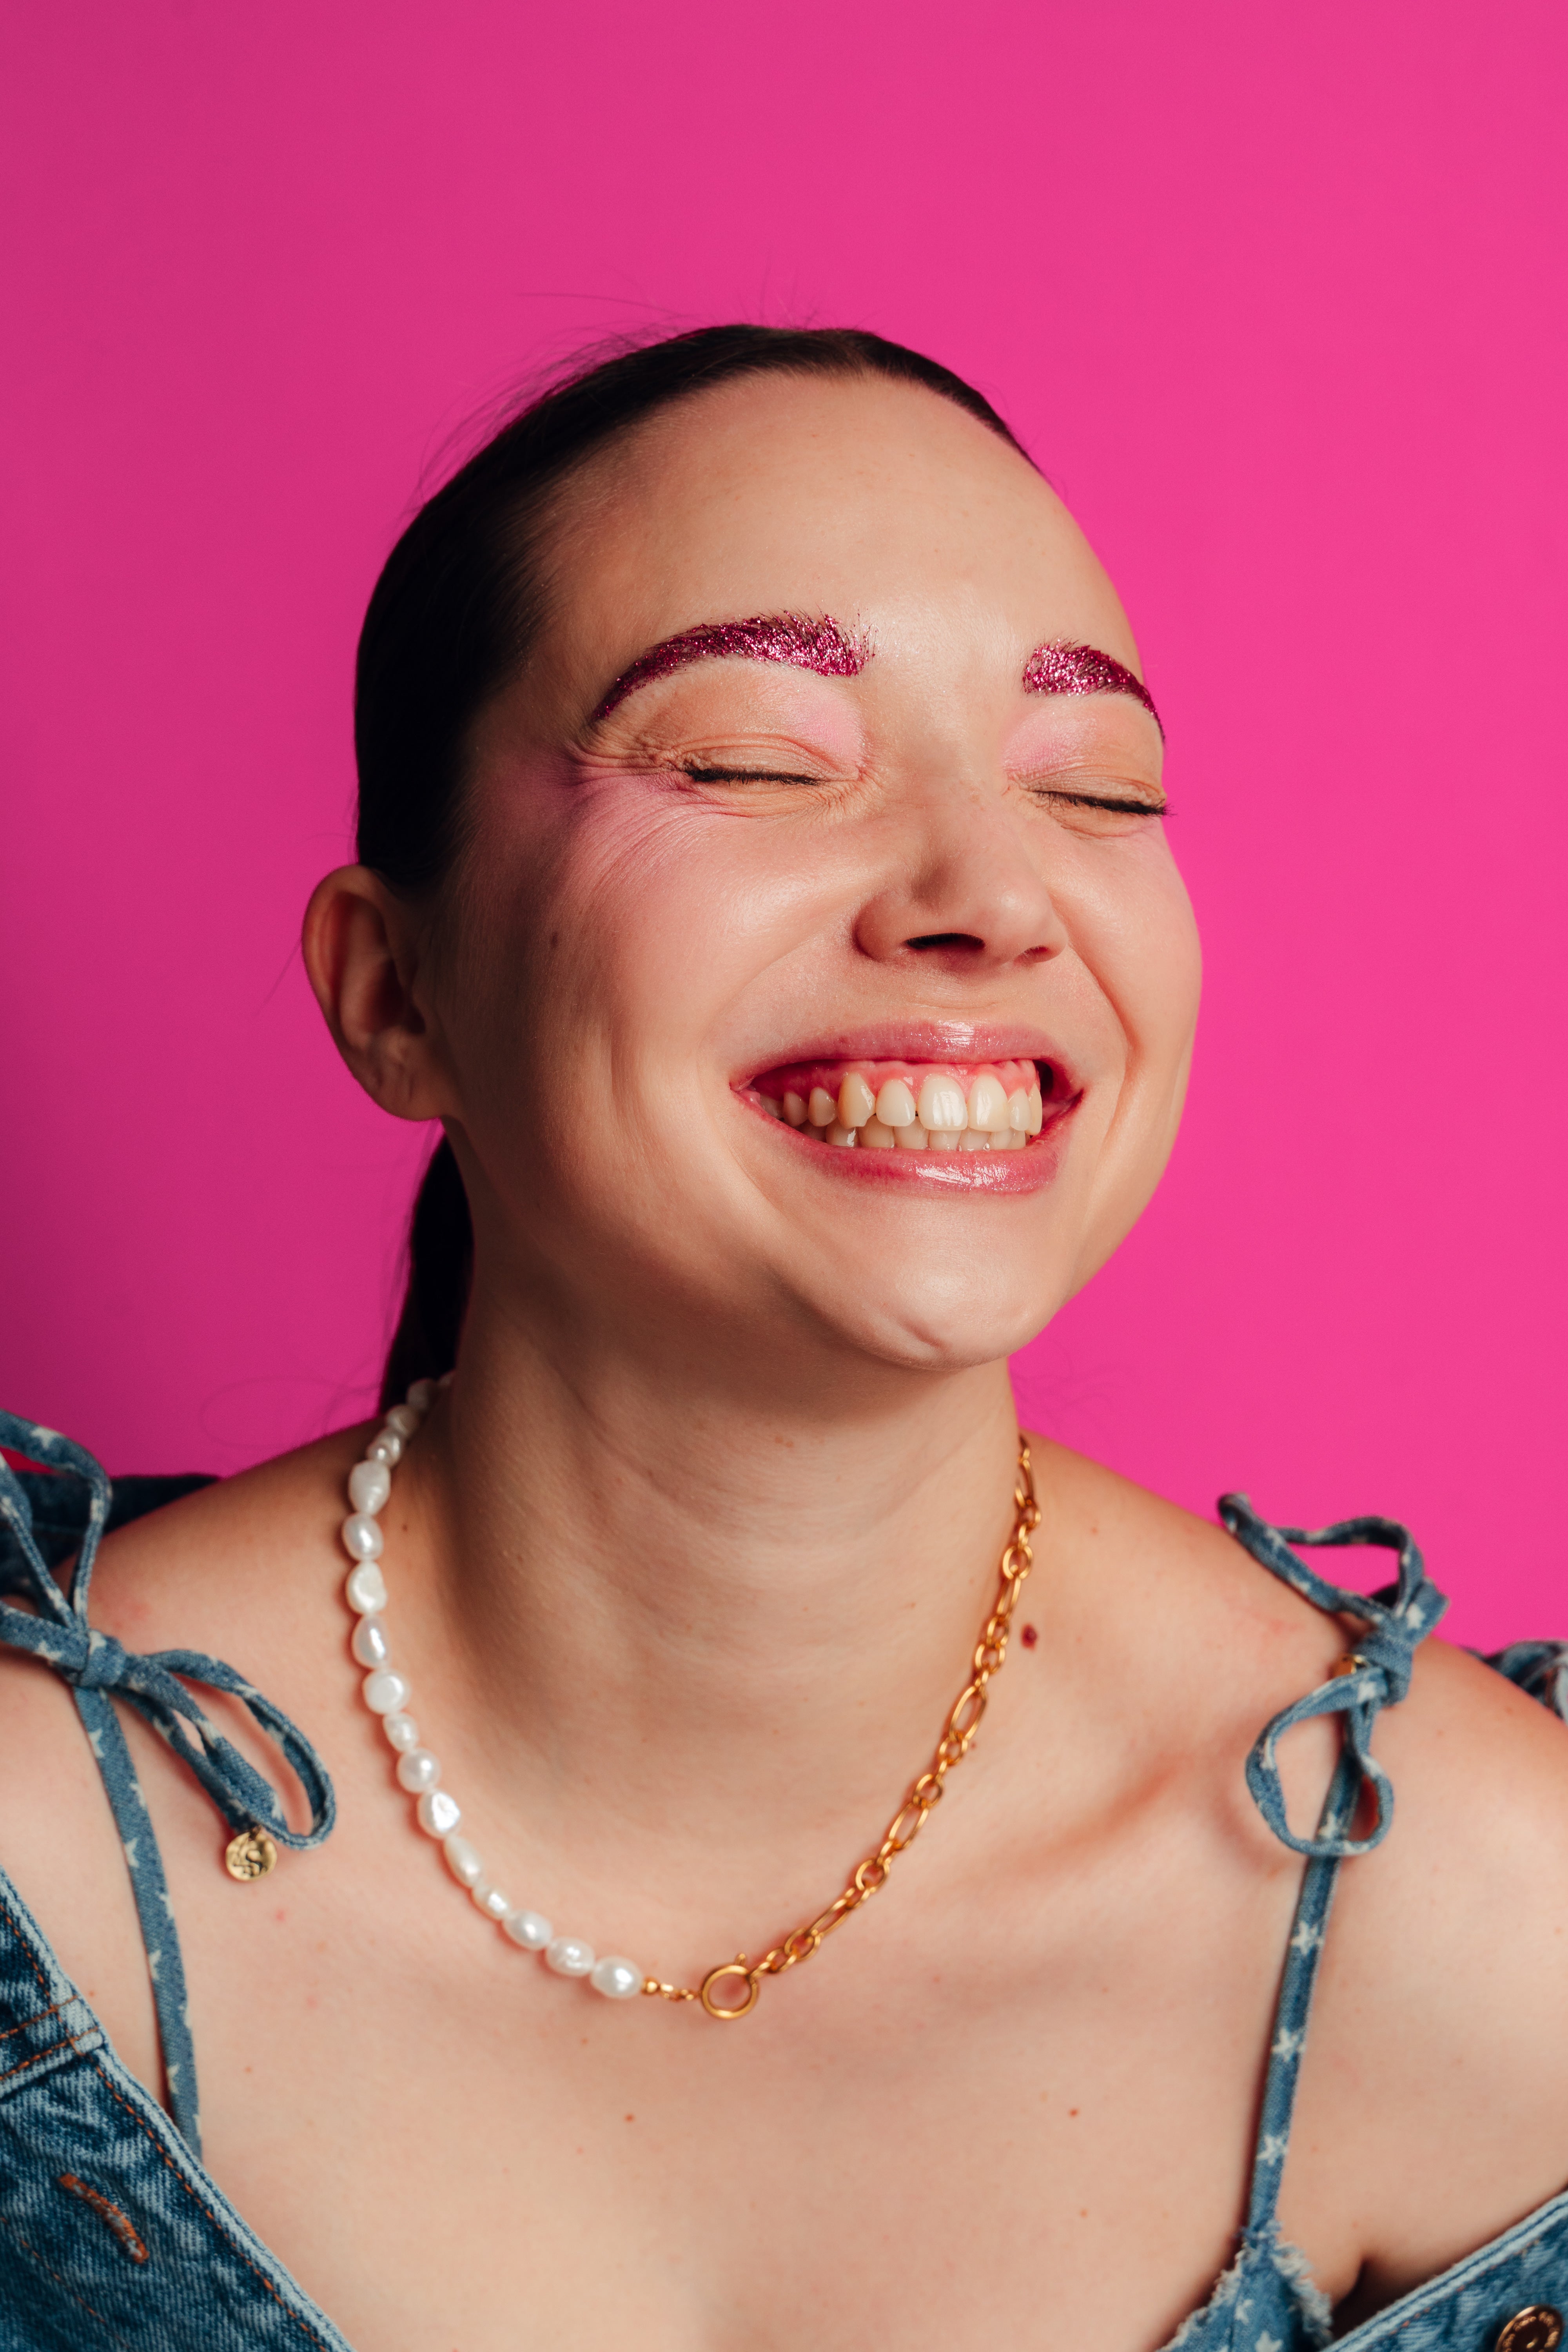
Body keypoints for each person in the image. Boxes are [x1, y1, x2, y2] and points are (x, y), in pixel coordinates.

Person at [3, 325, 1568, 2352]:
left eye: (1096, 786)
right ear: (397, 990)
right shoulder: (43, 1849)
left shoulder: (1477, 1906)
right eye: (751, 759)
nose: (989, 892)